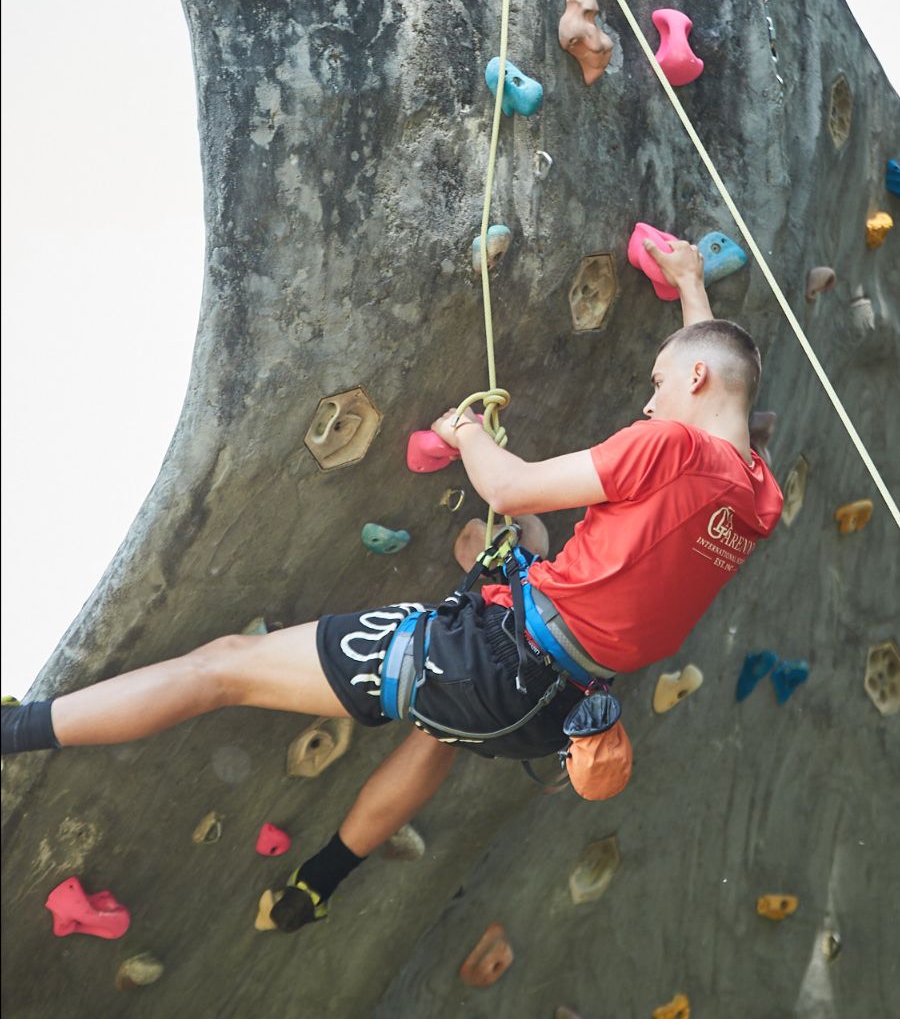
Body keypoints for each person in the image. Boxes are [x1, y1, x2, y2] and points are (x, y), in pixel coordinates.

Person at [1, 238, 783, 933]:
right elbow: (720, 382)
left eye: (657, 383)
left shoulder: (671, 444)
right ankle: (318, 884)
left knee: (225, 666)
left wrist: (467, 433)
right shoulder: (759, 496)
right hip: (553, 710)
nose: (648, 399)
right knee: (435, 725)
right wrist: (688, 281)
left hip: (493, 660)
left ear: (696, 379)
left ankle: (15, 733)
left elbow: (512, 491)